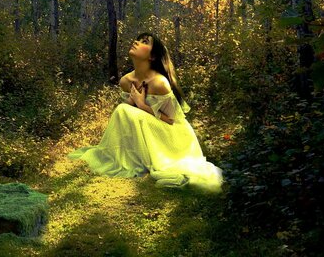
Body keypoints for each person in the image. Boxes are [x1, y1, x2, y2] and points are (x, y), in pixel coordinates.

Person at [68, 33, 223, 191]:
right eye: (137, 39)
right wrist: (133, 102)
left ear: (153, 56)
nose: (135, 42)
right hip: (152, 126)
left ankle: (141, 158)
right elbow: (127, 114)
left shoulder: (159, 83)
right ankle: (126, 158)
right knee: (122, 110)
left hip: (174, 136)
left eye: (144, 42)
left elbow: (171, 120)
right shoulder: (126, 81)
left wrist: (142, 104)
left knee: (123, 110)